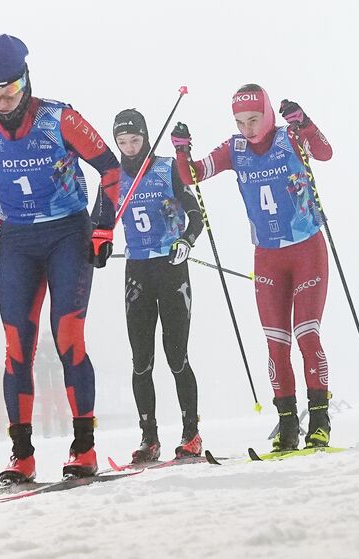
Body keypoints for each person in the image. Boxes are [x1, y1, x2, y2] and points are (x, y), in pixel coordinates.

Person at [0, 34, 121, 482]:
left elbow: (109, 166)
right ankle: (21, 454)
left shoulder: (58, 117)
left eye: (9, 90)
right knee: (16, 349)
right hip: (18, 242)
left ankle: (83, 447)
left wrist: (104, 227)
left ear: (26, 82)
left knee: (67, 337)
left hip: (67, 233)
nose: (2, 101)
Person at [172, 85, 335, 451]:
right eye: (241, 122)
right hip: (267, 257)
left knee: (307, 335)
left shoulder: (289, 137)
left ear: (268, 115)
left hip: (307, 249)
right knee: (276, 344)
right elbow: (192, 176)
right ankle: (288, 425)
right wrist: (182, 151)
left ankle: (320, 421)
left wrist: (305, 123)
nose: (248, 128)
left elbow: (324, 152)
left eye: (254, 120)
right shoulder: (235, 149)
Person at [112, 108, 204, 463]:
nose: (130, 147)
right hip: (137, 270)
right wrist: (96, 243)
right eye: (122, 141)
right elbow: (99, 220)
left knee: (176, 356)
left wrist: (187, 240)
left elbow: (194, 214)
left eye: (135, 139)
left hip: (170, 266)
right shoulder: (114, 177)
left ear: (146, 137)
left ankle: (190, 433)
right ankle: (149, 437)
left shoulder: (166, 169)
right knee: (141, 360)